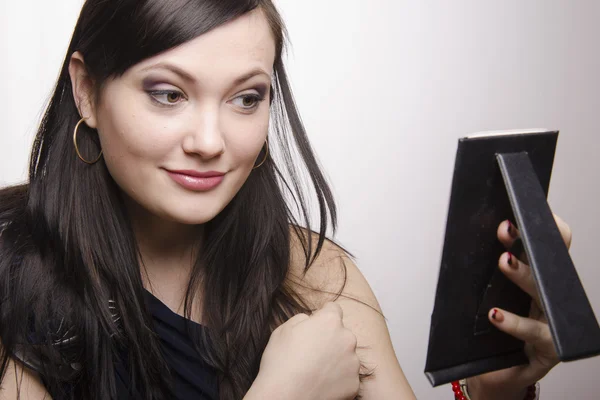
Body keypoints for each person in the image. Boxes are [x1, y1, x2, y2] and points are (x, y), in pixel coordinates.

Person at [0, 1, 572, 399]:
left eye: (245, 99)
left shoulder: (317, 275)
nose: (210, 142)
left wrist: (498, 389)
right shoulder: (14, 277)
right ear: (86, 90)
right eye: (169, 94)